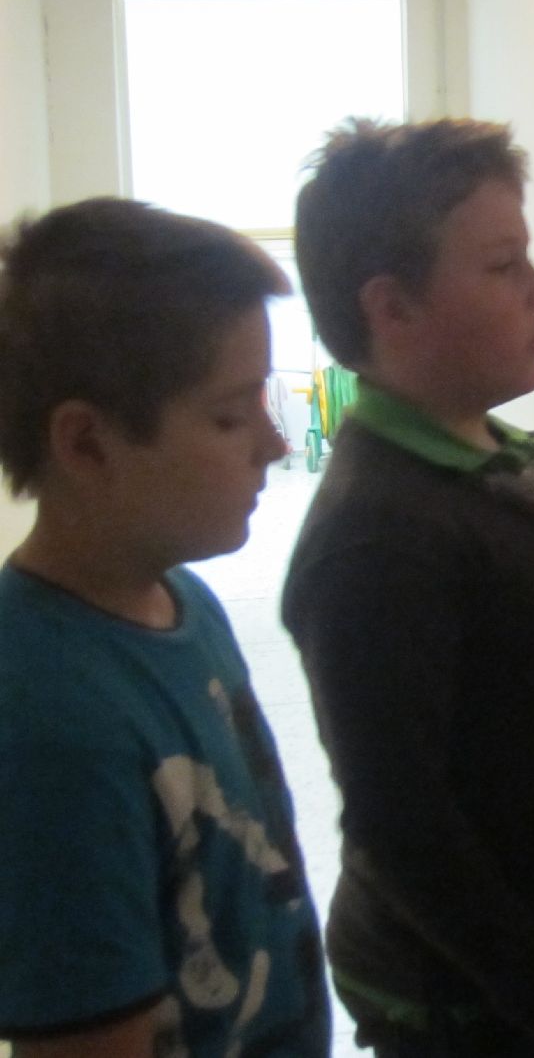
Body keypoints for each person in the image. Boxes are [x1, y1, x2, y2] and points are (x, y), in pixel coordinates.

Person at [283, 118, 534, 1058]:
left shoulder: (500, 461)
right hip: (472, 1003)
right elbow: (398, 815)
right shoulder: (377, 538)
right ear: (392, 308)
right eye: (502, 265)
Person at [0, 198, 330, 1057]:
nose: (273, 442)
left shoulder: (185, 600)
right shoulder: (46, 721)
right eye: (229, 416)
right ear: (86, 444)